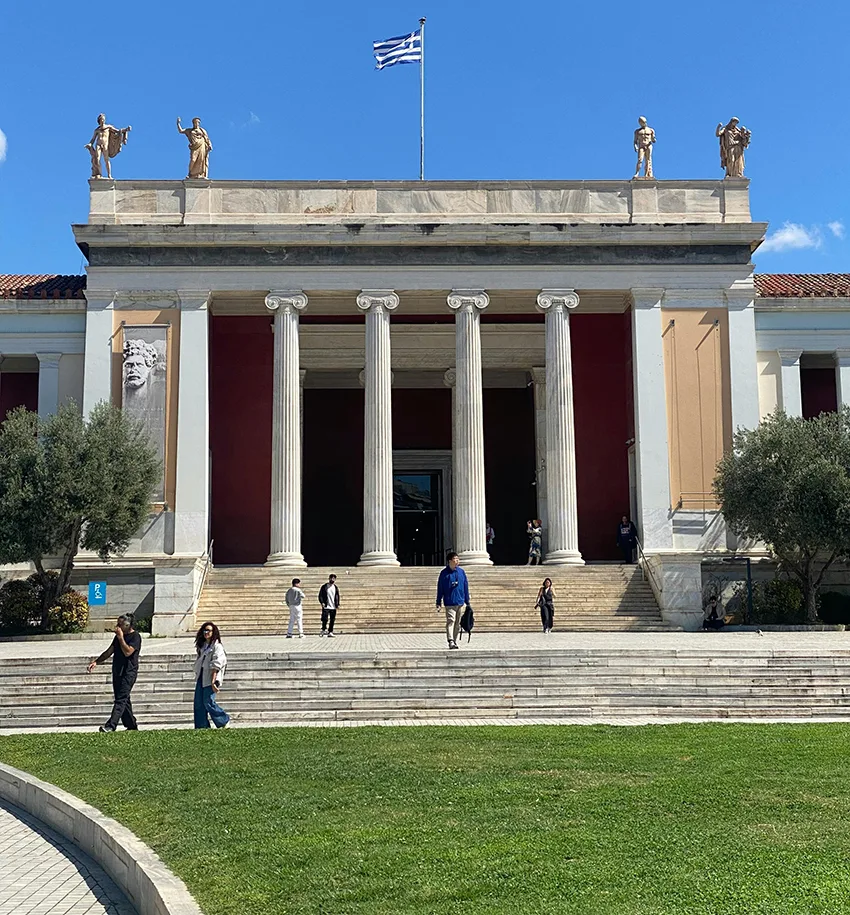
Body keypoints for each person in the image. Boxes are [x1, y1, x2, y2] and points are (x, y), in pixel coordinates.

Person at [87, 613, 142, 732]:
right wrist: (97, 661)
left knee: (121, 699)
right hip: (118, 670)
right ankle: (131, 725)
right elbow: (109, 651)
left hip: (129, 672)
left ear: (127, 625)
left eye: (120, 625)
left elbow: (128, 652)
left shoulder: (135, 637)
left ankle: (111, 725)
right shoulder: (117, 638)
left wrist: (121, 638)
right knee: (123, 699)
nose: (117, 627)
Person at [193, 621, 230, 729]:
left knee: (208, 702)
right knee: (198, 703)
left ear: (213, 632)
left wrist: (213, 681)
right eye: (204, 630)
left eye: (208, 630)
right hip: (201, 676)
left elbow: (217, 664)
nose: (206, 632)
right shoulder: (203, 646)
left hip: (211, 677)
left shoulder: (217, 647)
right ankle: (202, 726)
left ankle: (223, 720)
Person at [435, 551, 471, 650]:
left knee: (457, 623)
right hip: (449, 602)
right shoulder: (444, 573)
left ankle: (454, 641)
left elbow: (465, 586)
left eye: (458, 559)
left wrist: (467, 601)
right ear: (450, 560)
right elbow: (440, 588)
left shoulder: (461, 572)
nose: (457, 561)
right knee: (451, 620)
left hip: (460, 601)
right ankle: (450, 640)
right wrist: (438, 601)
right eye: (455, 559)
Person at [318, 573, 340, 637]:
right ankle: (323, 629)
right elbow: (320, 595)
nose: (332, 580)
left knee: (332, 619)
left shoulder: (335, 587)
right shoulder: (324, 587)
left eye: (333, 578)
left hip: (333, 606)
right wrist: (322, 602)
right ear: (329, 578)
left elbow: (337, 596)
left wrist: (337, 604)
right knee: (324, 619)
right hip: (326, 605)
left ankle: (330, 631)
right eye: (331, 578)